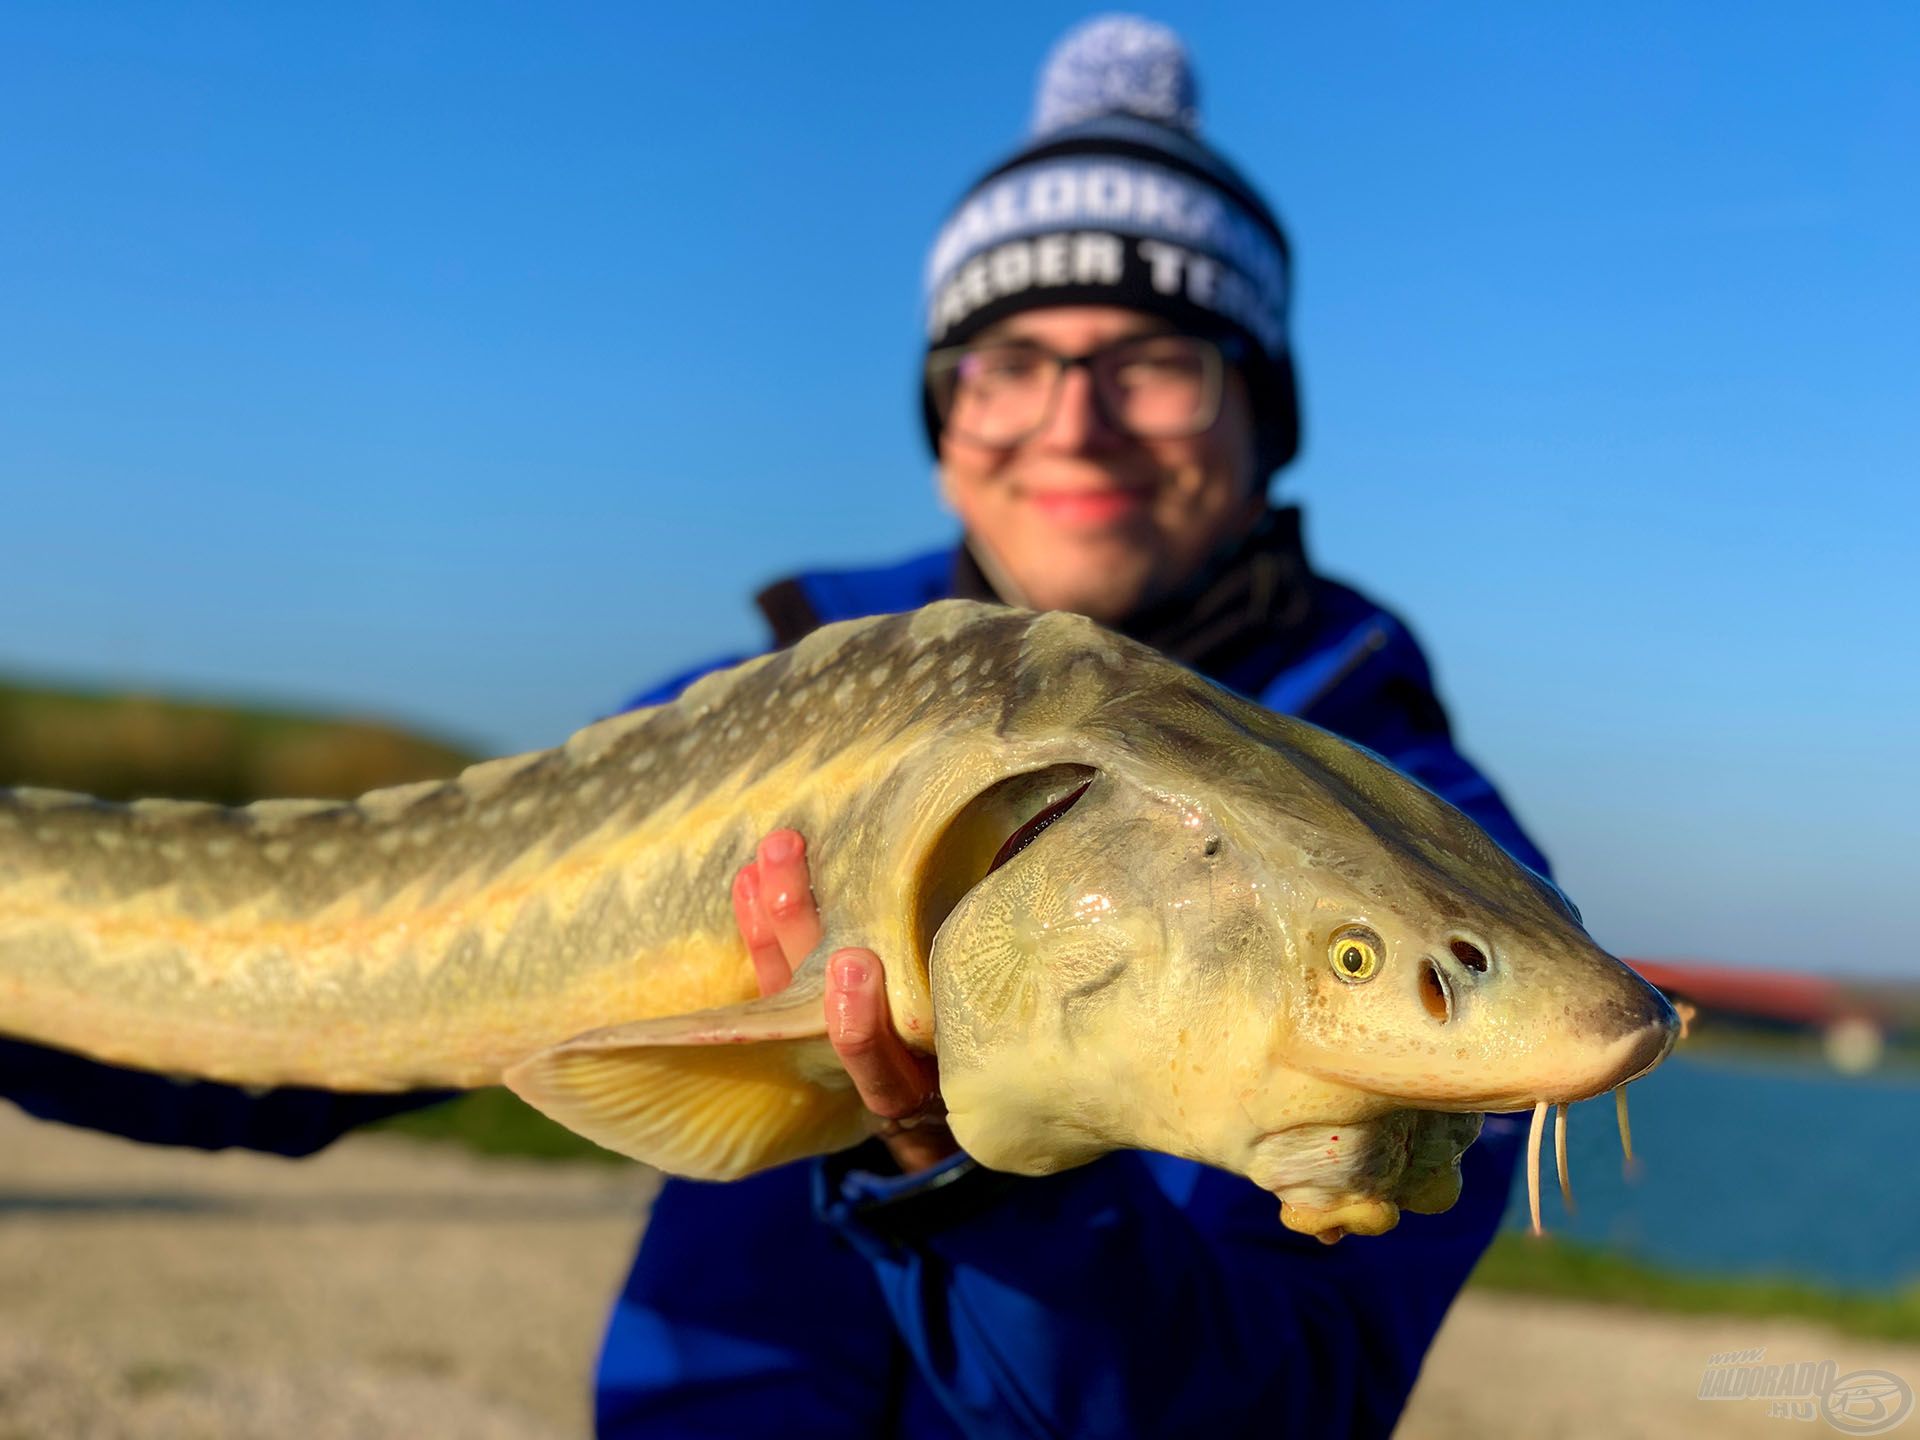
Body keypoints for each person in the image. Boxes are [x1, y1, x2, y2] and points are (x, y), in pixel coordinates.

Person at [0, 17, 1552, 1438]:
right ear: (944, 420)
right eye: (1006, 361)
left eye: (1153, 361)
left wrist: (956, 1182)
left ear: (1258, 411)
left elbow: (1280, 1404)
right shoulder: (754, 708)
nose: (1072, 420)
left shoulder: (1438, 862)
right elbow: (293, 1040)